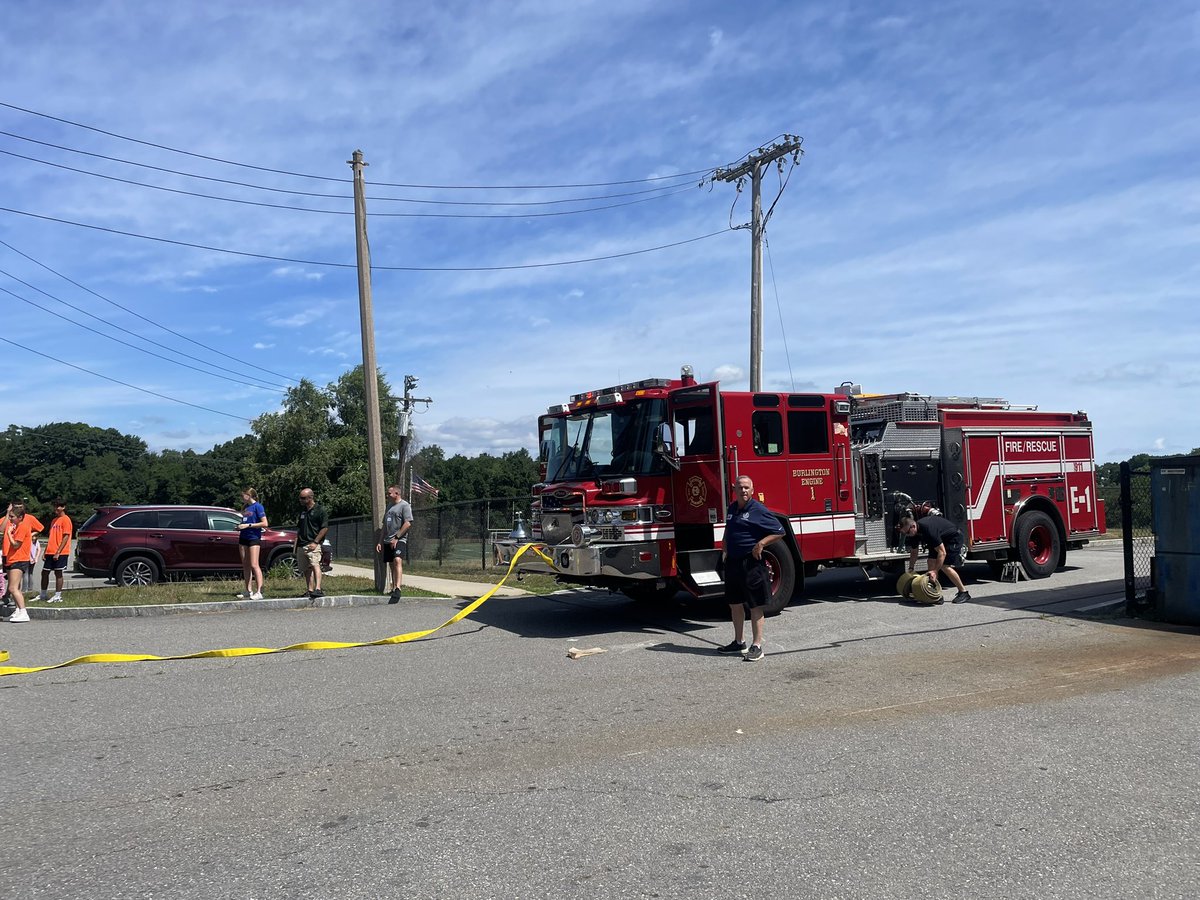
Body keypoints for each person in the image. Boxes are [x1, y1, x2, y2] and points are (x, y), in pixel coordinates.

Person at [718, 475, 785, 662]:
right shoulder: (732, 508)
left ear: (752, 490)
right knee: (735, 603)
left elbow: (779, 531)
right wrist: (724, 546)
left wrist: (761, 544)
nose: (743, 490)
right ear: (735, 490)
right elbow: (729, 528)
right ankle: (739, 642)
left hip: (751, 564)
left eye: (747, 487)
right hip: (733, 562)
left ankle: (757, 646)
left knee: (755, 605)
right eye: (740, 487)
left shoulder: (758, 509)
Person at [899, 513, 971, 604]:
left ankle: (963, 592)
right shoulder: (914, 533)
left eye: (908, 532)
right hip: (940, 539)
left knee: (944, 566)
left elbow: (942, 552)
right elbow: (914, 552)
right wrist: (911, 568)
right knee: (930, 562)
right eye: (905, 534)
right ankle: (935, 594)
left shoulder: (928, 529)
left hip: (953, 538)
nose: (907, 535)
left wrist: (935, 571)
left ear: (913, 526)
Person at [2, 502, 45, 623]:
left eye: (12, 517)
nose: (10, 519)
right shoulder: (16, 526)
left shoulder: (22, 527)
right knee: (15, 587)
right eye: (9, 516)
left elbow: (16, 545)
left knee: (12, 588)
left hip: (19, 559)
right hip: (13, 559)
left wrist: (10, 534)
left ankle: (23, 611)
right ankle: (18, 610)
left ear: (20, 517)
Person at [375, 484, 413, 603]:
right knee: (391, 564)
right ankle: (393, 587)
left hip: (399, 539)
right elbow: (384, 526)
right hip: (387, 540)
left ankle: (398, 588)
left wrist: (397, 537)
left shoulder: (405, 506)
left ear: (397, 494)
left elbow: (408, 523)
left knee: (397, 560)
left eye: (389, 493)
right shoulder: (389, 507)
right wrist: (380, 541)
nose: (387, 495)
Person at [295, 488, 329, 599]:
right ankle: (309, 590)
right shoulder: (303, 511)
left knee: (315, 565)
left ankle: (318, 589)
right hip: (302, 543)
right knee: (306, 569)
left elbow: (324, 528)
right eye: (300, 498)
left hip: (313, 543)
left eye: (303, 498)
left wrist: (315, 542)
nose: (301, 500)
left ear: (310, 497)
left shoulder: (320, 510)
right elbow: (299, 528)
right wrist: (296, 545)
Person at [235, 488, 268, 601]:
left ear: (248, 495)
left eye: (242, 495)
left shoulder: (258, 506)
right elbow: (245, 521)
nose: (241, 498)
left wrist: (249, 525)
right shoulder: (245, 508)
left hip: (254, 538)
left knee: (254, 564)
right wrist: (240, 526)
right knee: (246, 564)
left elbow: (265, 523)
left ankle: (259, 591)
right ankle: (248, 590)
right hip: (243, 537)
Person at [37, 498, 72, 603]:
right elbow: (51, 536)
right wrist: (45, 551)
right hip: (50, 551)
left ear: (63, 507)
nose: (56, 508)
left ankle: (57, 596)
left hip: (60, 551)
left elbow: (66, 536)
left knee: (58, 573)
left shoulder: (66, 519)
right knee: (44, 573)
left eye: (59, 506)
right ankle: (43, 594)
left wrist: (58, 552)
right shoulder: (54, 520)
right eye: (55, 506)